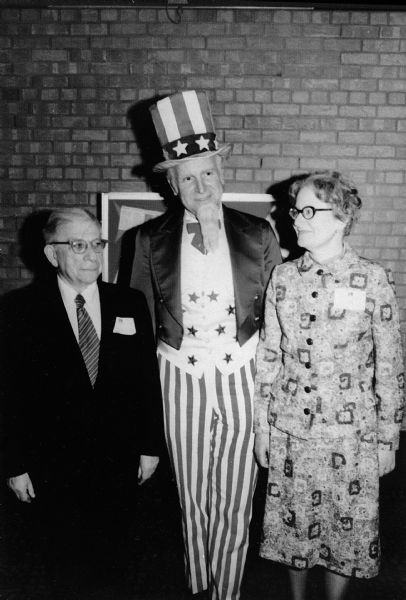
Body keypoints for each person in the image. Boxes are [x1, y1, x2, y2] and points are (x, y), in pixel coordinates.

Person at [128, 90, 282, 599]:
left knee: (238, 494)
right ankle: (199, 584)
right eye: (186, 176)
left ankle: (229, 591)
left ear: (222, 172)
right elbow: (137, 320)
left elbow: (278, 316)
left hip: (242, 372)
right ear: (171, 185)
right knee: (191, 492)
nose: (200, 185)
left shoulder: (258, 233)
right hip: (179, 375)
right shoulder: (148, 239)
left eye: (207, 172)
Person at [254, 171, 405, 600]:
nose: (295, 219)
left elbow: (390, 365)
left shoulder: (372, 279)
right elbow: (269, 355)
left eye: (307, 211)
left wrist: (387, 439)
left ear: (340, 218)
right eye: (294, 210)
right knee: (293, 529)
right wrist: (262, 427)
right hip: (292, 431)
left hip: (352, 436)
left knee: (347, 531)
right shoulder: (283, 278)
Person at [1, 207, 164, 597]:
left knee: (117, 562)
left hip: (117, 460)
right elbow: (7, 395)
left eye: (97, 244)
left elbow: (146, 379)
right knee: (59, 564)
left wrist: (150, 446)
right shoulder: (18, 311)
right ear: (51, 254)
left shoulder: (129, 302)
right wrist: (14, 465)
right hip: (51, 466)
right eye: (78, 245)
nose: (92, 255)